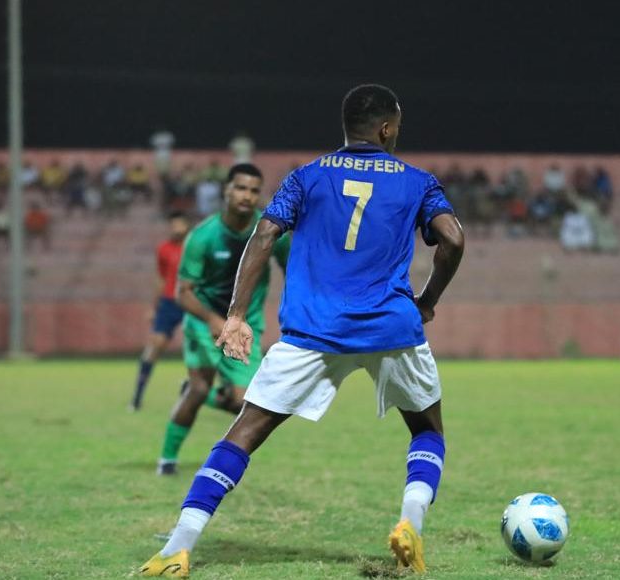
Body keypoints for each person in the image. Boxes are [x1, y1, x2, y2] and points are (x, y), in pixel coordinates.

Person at [139, 84, 464, 577]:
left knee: (245, 431)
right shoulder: (418, 181)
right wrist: (427, 302)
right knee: (427, 430)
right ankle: (410, 523)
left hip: (314, 328)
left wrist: (235, 314)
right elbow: (453, 240)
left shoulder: (306, 176)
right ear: (386, 129)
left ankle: (177, 548)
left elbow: (265, 234)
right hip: (390, 326)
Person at [152, 165, 290, 475]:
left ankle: (203, 395)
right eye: (240, 188)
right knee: (199, 388)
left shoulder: (270, 231)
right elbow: (183, 293)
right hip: (204, 324)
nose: (247, 196)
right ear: (226, 191)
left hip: (246, 328)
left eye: (254, 190)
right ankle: (167, 460)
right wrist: (214, 320)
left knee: (246, 403)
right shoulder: (203, 236)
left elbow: (292, 267)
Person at [129, 211, 192, 411]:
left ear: (187, 226)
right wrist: (153, 307)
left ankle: (203, 394)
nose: (176, 229)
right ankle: (137, 397)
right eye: (172, 225)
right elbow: (161, 278)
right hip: (169, 302)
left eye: (179, 225)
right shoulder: (164, 249)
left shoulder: (195, 246)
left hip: (192, 301)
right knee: (155, 345)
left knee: (200, 348)